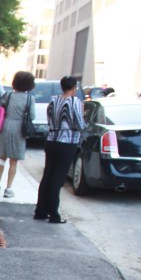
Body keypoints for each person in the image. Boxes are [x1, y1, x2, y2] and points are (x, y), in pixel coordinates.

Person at [35, 75, 85, 224]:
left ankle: (40, 211)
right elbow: (79, 125)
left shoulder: (53, 100)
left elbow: (49, 120)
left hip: (52, 140)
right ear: (74, 87)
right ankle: (54, 214)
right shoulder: (75, 102)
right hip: (67, 142)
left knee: (47, 176)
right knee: (58, 179)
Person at [0, 71, 35, 198]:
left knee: (2, 156)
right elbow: (32, 116)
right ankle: (8, 188)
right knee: (14, 160)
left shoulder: (8, 95)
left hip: (6, 126)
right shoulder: (29, 98)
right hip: (19, 128)